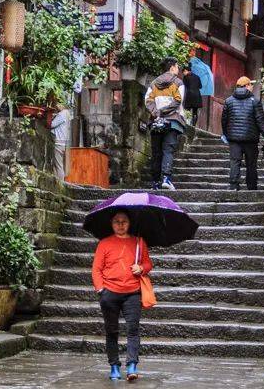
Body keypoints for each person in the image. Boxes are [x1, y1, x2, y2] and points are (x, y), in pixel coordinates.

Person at [92, 210, 152, 381]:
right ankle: (114, 366)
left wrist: (141, 268)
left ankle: (132, 365)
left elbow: (148, 263)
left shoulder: (139, 242)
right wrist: (101, 290)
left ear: (129, 223)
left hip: (132, 293)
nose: (120, 225)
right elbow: (96, 269)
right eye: (117, 221)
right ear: (111, 224)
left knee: (133, 330)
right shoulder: (104, 243)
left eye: (124, 221)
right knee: (112, 331)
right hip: (109, 293)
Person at [221, 76, 264, 190]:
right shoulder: (255, 101)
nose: (252, 87)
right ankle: (251, 186)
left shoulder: (229, 101)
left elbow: (224, 120)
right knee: (251, 163)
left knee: (235, 162)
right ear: (246, 86)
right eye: (250, 84)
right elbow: (260, 120)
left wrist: (226, 134)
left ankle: (233, 185)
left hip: (234, 139)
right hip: (251, 138)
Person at [144, 57, 185, 190]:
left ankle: (155, 182)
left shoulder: (153, 84)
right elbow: (179, 100)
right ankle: (166, 179)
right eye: (177, 67)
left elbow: (148, 101)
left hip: (156, 122)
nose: (178, 70)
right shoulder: (178, 83)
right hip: (172, 122)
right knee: (168, 150)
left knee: (156, 152)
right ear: (172, 67)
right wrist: (165, 111)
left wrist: (157, 113)